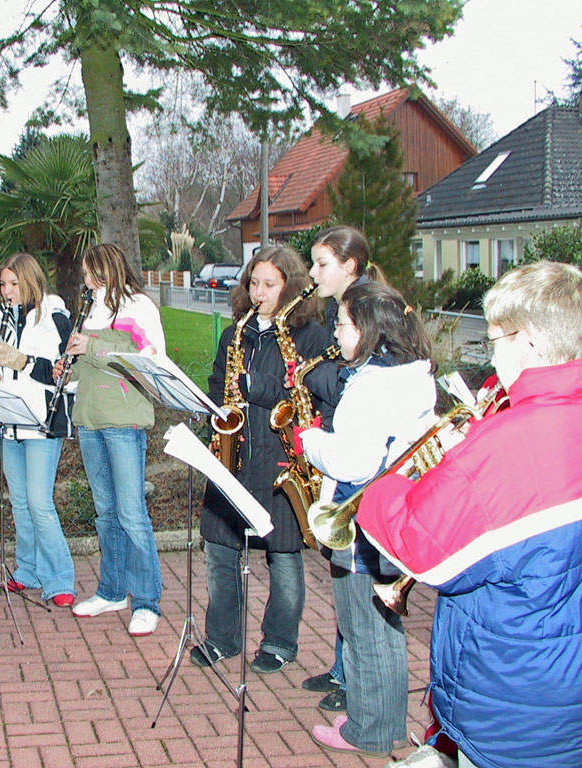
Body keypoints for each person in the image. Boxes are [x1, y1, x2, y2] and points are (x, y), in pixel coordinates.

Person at [357, 261, 582, 768]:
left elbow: (417, 546)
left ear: (530, 343)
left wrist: (387, 481)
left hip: (513, 711)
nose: (490, 354)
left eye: (495, 339)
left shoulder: (507, 443)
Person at [299, 281, 436, 758]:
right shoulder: (411, 373)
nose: (335, 331)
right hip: (393, 516)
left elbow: (353, 461)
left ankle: (368, 731)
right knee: (384, 629)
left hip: (362, 522)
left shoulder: (373, 385)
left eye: (341, 323)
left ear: (368, 330)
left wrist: (310, 441)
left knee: (362, 631)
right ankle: (386, 720)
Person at [191, 246, 331, 674]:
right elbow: (218, 382)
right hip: (233, 456)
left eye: (269, 284)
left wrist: (257, 386)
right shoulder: (237, 331)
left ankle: (279, 642)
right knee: (219, 551)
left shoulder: (310, 336)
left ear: (289, 286)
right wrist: (218, 413)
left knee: (283, 557)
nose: (259, 292)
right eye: (253, 283)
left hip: (279, 461)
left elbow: (311, 395)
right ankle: (222, 638)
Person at [62, 243, 166, 637]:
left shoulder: (139, 306)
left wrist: (95, 346)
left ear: (107, 270)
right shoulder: (90, 309)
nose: (85, 280)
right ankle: (112, 590)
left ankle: (146, 600)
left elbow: (150, 356)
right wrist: (70, 367)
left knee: (131, 512)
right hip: (89, 418)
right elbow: (90, 366)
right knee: (105, 511)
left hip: (124, 419)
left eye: (90, 272)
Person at [301, 224, 383, 711]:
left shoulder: (368, 309)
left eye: (321, 264)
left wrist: (314, 377)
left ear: (350, 267)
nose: (312, 274)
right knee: (342, 573)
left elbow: (363, 380)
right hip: (339, 444)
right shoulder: (342, 306)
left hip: (360, 462)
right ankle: (342, 665)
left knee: (357, 576)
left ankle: (357, 677)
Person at [0, 253, 77, 608]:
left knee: (39, 502)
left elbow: (65, 373)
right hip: (6, 419)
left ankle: (60, 578)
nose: (7, 291)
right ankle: (28, 570)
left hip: (41, 420)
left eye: (14, 284)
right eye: (3, 285)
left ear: (31, 281)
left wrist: (24, 362)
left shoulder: (54, 317)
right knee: (19, 502)